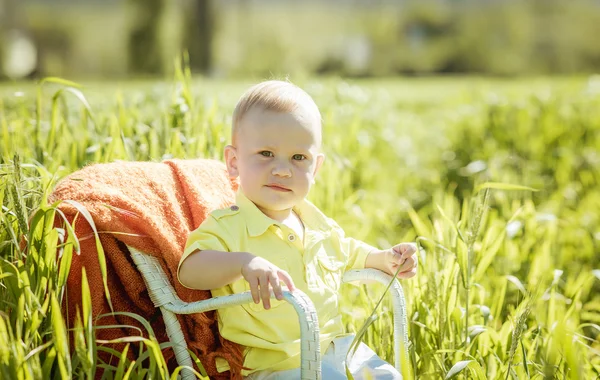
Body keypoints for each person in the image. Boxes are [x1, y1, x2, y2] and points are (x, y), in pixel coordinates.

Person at [177, 80, 418, 379]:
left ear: (315, 169)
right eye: (266, 153)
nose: (282, 169)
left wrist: (386, 259)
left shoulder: (315, 223)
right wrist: (243, 263)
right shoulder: (228, 226)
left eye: (298, 158)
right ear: (234, 162)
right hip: (276, 366)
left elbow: (351, 253)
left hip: (338, 351)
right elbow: (190, 270)